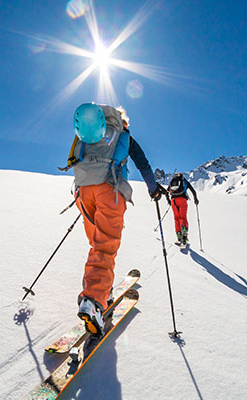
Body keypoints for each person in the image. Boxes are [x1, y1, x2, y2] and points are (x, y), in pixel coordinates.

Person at [66, 102, 165, 336]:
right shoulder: (123, 134)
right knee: (105, 247)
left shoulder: (87, 137)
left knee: (97, 244)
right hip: (110, 192)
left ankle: (104, 291)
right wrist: (153, 189)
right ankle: (93, 301)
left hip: (83, 193)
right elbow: (143, 164)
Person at [166, 172, 199, 246]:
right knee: (183, 218)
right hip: (182, 200)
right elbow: (193, 191)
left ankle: (178, 237)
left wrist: (168, 201)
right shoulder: (184, 181)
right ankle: (184, 234)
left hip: (173, 201)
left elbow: (166, 192)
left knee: (176, 219)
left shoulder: (173, 181)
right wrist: (195, 199)